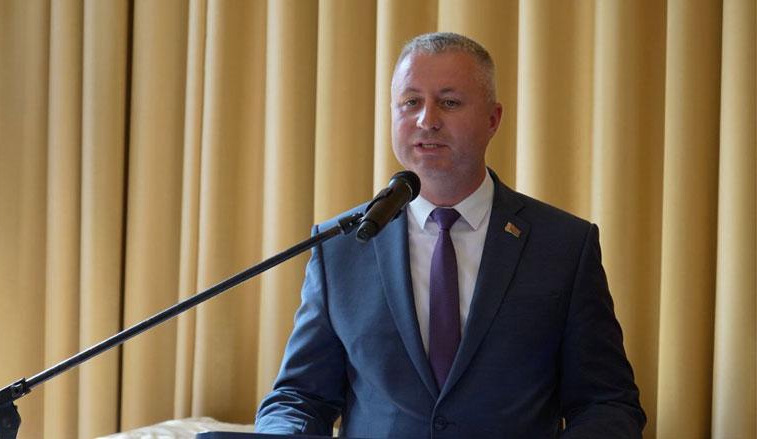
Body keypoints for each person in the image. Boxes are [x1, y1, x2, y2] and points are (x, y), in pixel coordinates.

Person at [255, 32, 645, 438]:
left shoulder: (563, 246)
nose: (427, 120)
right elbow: (299, 398)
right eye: (411, 102)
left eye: (449, 102)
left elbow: (606, 403)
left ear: (493, 119)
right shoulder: (341, 247)